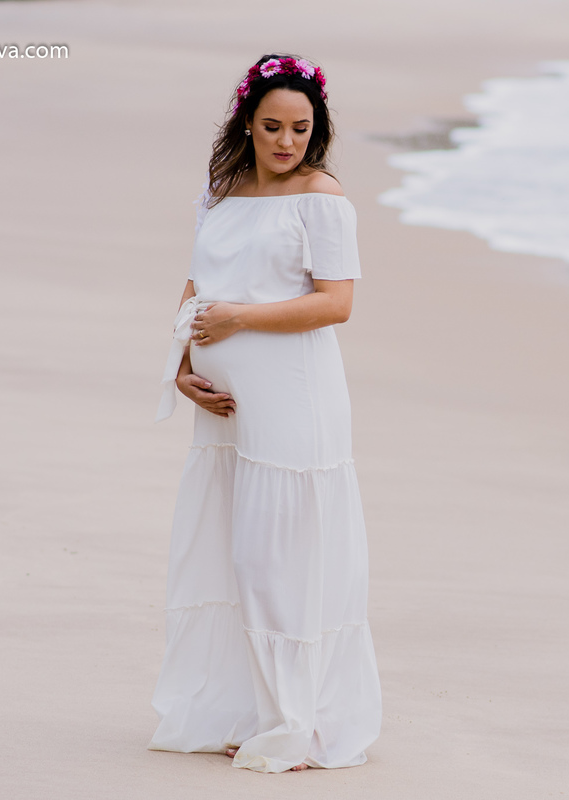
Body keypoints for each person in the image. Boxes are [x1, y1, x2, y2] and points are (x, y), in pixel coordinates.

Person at [148, 54, 382, 774]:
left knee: (273, 556)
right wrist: (183, 369)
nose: (287, 142)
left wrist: (240, 321)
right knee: (231, 553)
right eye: (273, 127)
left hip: (294, 401)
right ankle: (254, 709)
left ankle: (299, 720)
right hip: (224, 409)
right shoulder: (219, 194)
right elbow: (196, 286)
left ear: (318, 130)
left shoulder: (323, 197)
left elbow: (335, 303)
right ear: (247, 124)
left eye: (301, 129)